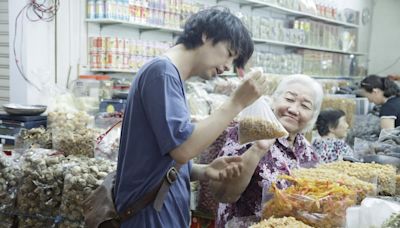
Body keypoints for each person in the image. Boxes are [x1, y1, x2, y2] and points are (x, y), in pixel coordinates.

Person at [114, 7, 269, 227]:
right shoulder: (162, 72)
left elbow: (161, 159)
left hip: (161, 212)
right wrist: (237, 102)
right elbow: (183, 148)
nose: (227, 67)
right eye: (229, 53)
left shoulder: (171, 76)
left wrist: (205, 171)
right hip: (149, 216)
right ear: (206, 35)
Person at [210, 74, 324, 227]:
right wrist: (257, 149)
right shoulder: (249, 131)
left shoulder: (306, 149)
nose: (294, 109)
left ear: (312, 116)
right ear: (275, 100)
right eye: (289, 99)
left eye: (305, 106)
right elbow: (223, 194)